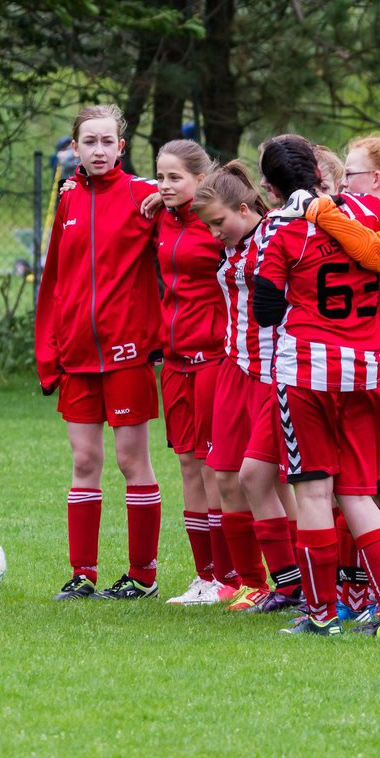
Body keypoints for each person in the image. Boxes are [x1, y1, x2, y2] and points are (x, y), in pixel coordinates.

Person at [252, 134, 380, 637]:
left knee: (315, 494)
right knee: (361, 494)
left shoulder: (277, 229)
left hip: (308, 373)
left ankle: (321, 615)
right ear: (322, 175)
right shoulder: (361, 209)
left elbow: (266, 311)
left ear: (271, 189)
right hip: (367, 372)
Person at [35, 104, 164, 601]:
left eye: (107, 141)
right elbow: (54, 282)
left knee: (133, 463)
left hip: (127, 353)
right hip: (76, 355)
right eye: (89, 142)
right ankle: (82, 574)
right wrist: (49, 352)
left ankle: (143, 576)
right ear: (75, 149)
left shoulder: (145, 196)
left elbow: (192, 238)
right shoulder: (67, 200)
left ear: (121, 148)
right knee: (84, 460)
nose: (99, 150)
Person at [191, 161, 306, 614]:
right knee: (224, 476)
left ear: (244, 207)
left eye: (219, 222)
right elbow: (188, 190)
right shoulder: (232, 243)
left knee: (264, 479)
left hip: (272, 372)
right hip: (233, 368)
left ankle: (291, 581)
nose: (215, 232)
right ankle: (252, 583)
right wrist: (162, 197)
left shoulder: (273, 237)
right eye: (209, 226)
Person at [150, 139, 233, 606]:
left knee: (215, 466)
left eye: (174, 177)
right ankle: (205, 576)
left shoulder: (221, 223)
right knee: (187, 463)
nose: (164, 185)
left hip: (215, 360)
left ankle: (230, 575)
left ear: (202, 180)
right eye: (159, 177)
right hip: (174, 361)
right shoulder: (160, 217)